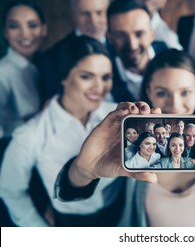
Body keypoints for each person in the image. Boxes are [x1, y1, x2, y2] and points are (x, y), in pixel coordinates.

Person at [53, 48, 195, 227]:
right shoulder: (133, 144)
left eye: (185, 92)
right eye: (162, 93)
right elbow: (71, 194)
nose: (175, 104)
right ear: (148, 93)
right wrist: (83, 171)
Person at [0, 36, 122, 227]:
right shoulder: (31, 134)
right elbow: (10, 190)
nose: (99, 87)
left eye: (106, 77)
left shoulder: (118, 116)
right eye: (86, 76)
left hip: (121, 216)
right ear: (64, 77)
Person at [37, 0, 110, 101]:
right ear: (73, 15)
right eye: (85, 14)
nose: (93, 21)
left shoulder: (123, 47)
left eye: (99, 12)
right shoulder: (51, 59)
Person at [0, 1, 47, 154]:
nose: (25, 34)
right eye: (14, 26)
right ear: (5, 32)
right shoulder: (3, 72)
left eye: (32, 25)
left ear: (43, 29)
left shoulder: (47, 65)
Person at [107, 0, 168, 103]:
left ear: (152, 34)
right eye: (120, 35)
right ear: (110, 38)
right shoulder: (103, 74)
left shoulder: (171, 57)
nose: (132, 45)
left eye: (139, 34)